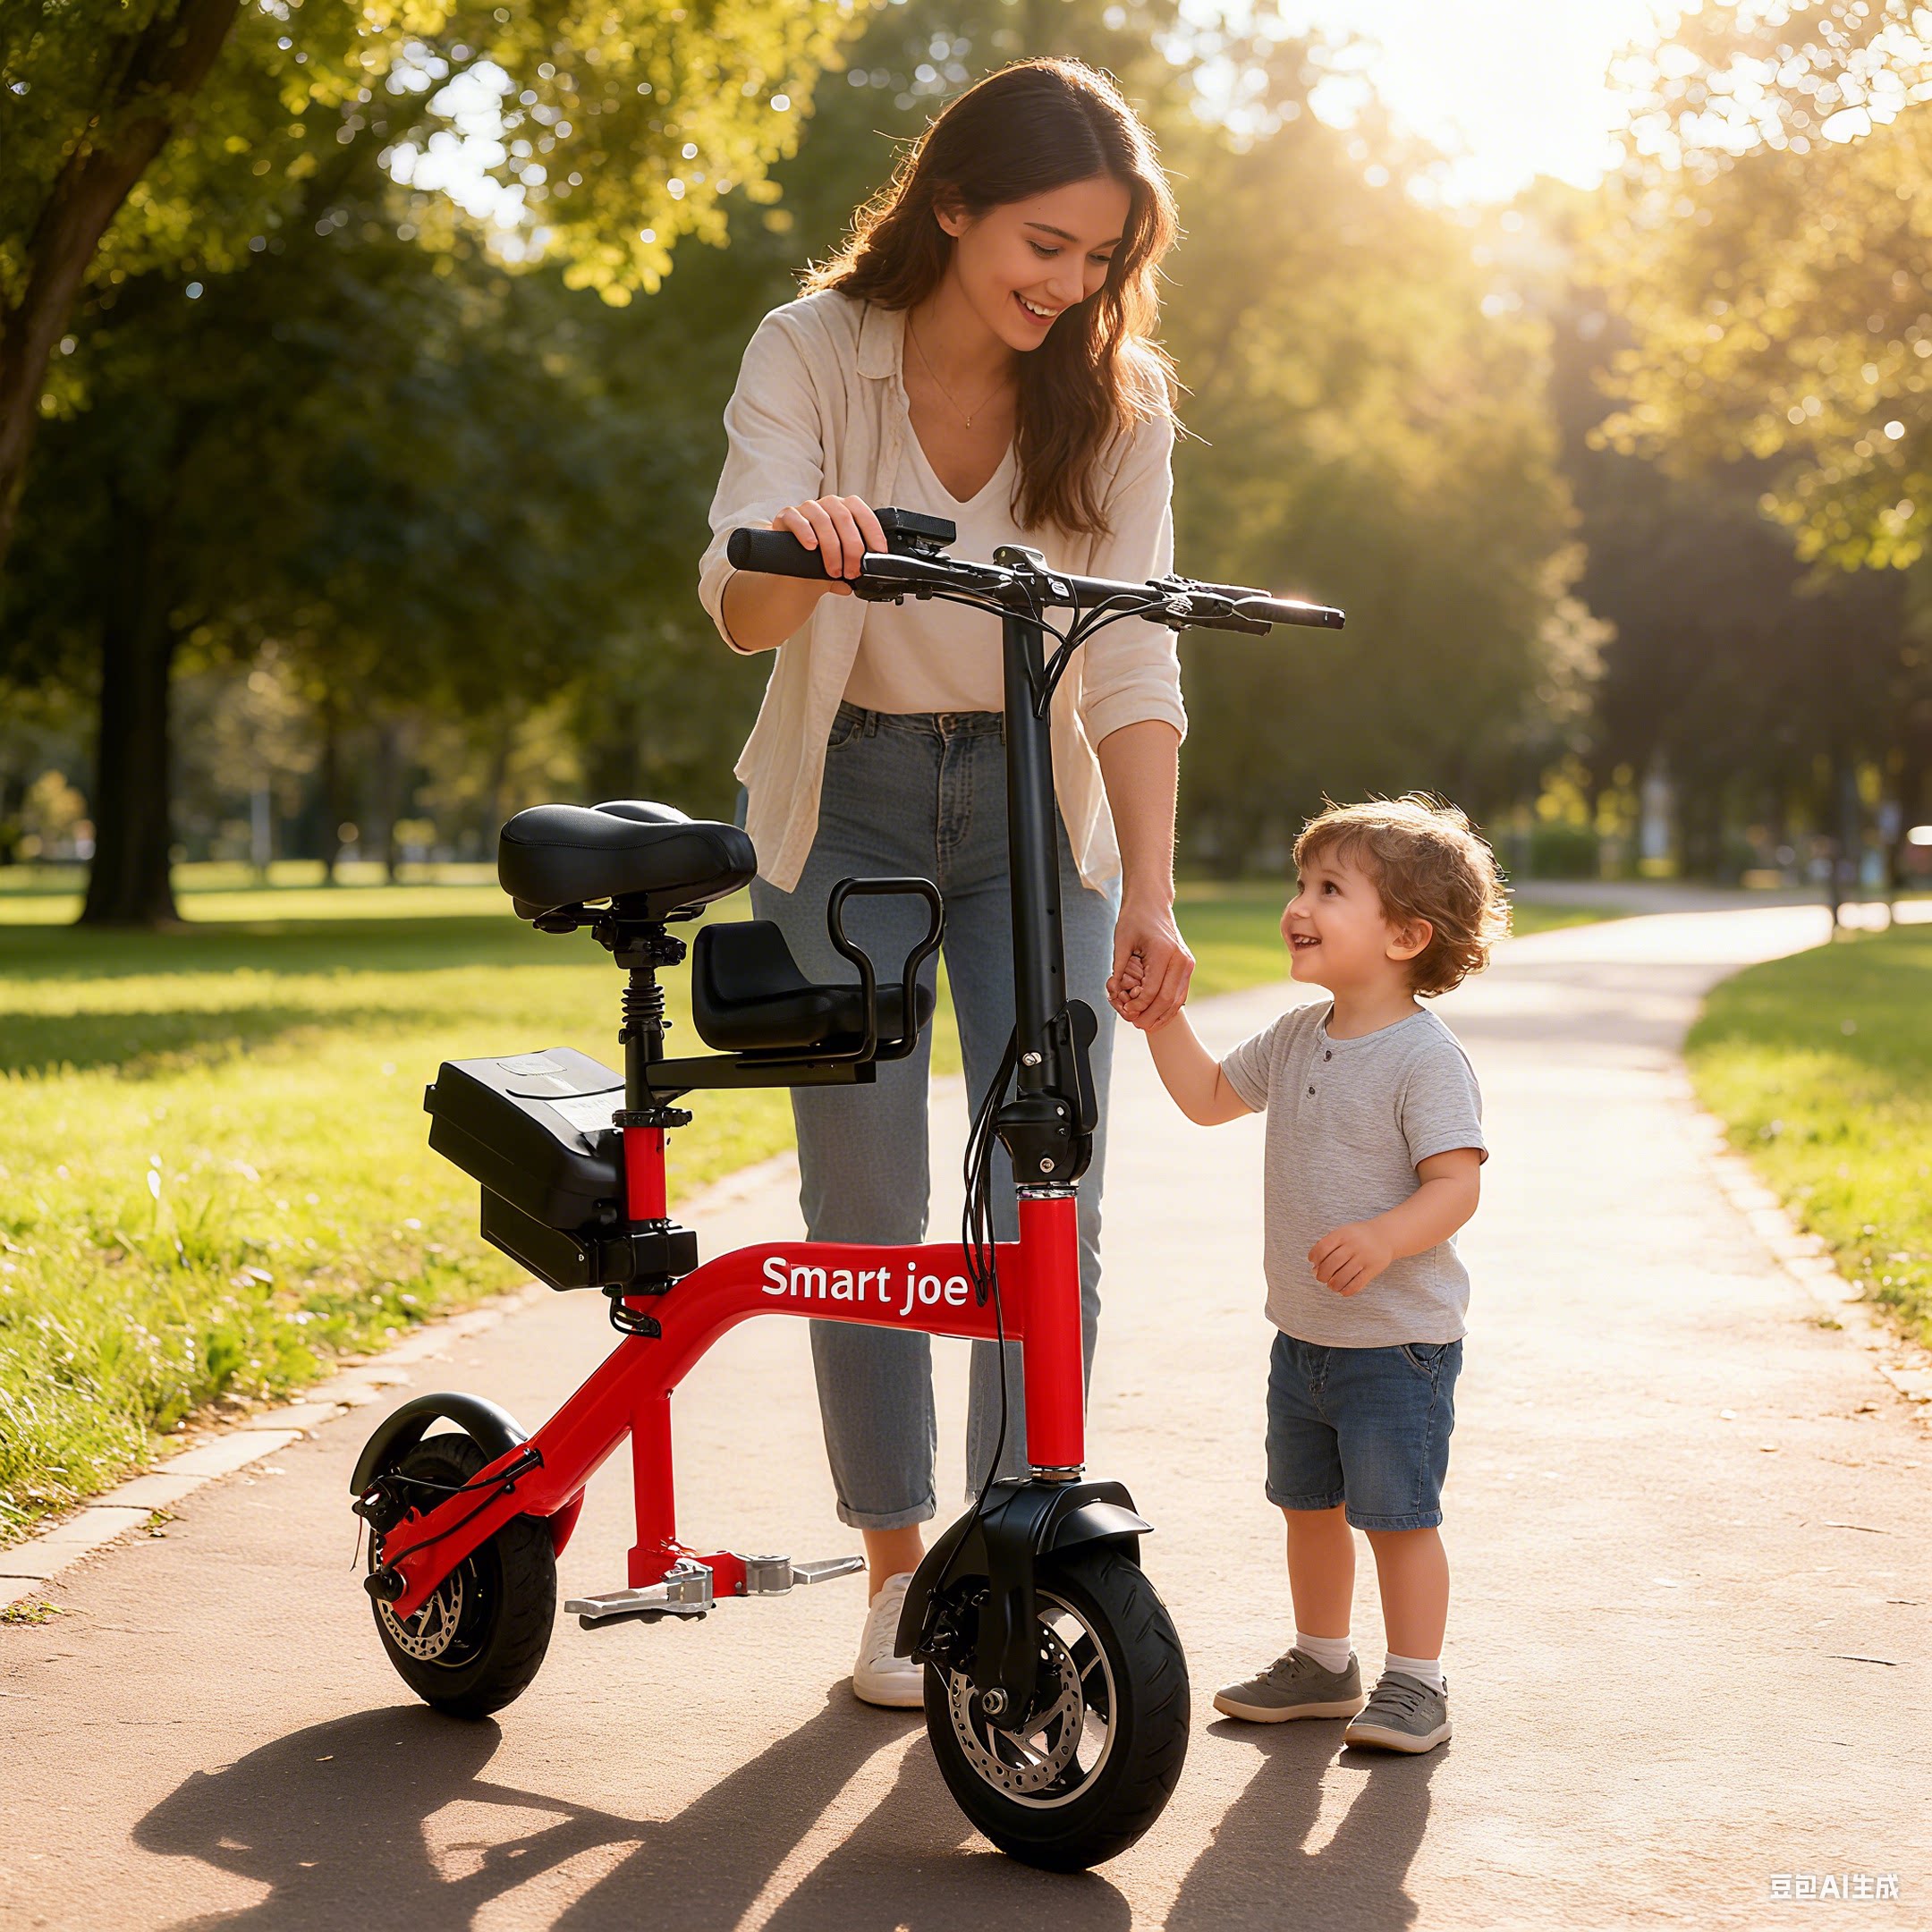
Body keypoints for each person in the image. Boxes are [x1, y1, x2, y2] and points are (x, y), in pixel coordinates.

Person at [696, 59, 1191, 1707]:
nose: (1069, 287)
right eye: (1044, 245)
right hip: (852, 807)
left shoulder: (1118, 412)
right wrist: (797, 545)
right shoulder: (810, 353)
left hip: (1034, 825)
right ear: (954, 202)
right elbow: (738, 609)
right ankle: (898, 1568)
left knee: (1055, 1199)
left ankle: (1016, 1542)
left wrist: (1153, 894)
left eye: (1101, 261)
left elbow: (1130, 666)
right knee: (866, 1206)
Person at [1131, 795, 1506, 1753]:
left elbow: (1455, 1186)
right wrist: (1162, 1020)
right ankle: (1322, 1660)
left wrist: (1385, 1237)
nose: (1300, 904)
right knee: (1309, 1509)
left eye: (1330, 889)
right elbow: (1211, 1097)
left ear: (1405, 935)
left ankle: (1417, 1682)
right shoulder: (1300, 1033)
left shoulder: (1425, 1058)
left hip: (1397, 1347)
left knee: (1398, 1519)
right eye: (1303, 884)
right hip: (1304, 1341)